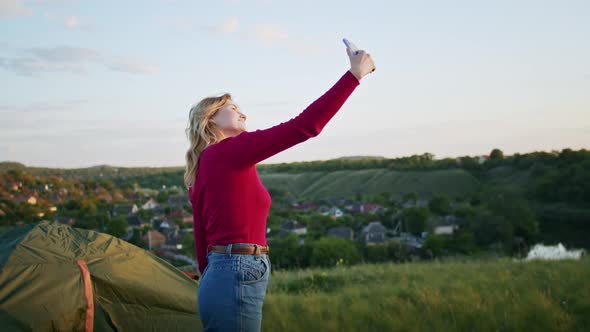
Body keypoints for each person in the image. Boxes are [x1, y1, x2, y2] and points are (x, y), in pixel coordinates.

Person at [184, 42, 376, 331]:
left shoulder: (205, 165)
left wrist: (213, 278)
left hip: (224, 275)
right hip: (235, 272)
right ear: (209, 120)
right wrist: (354, 75)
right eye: (232, 108)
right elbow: (305, 126)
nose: (242, 113)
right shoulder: (227, 152)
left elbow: (202, 242)